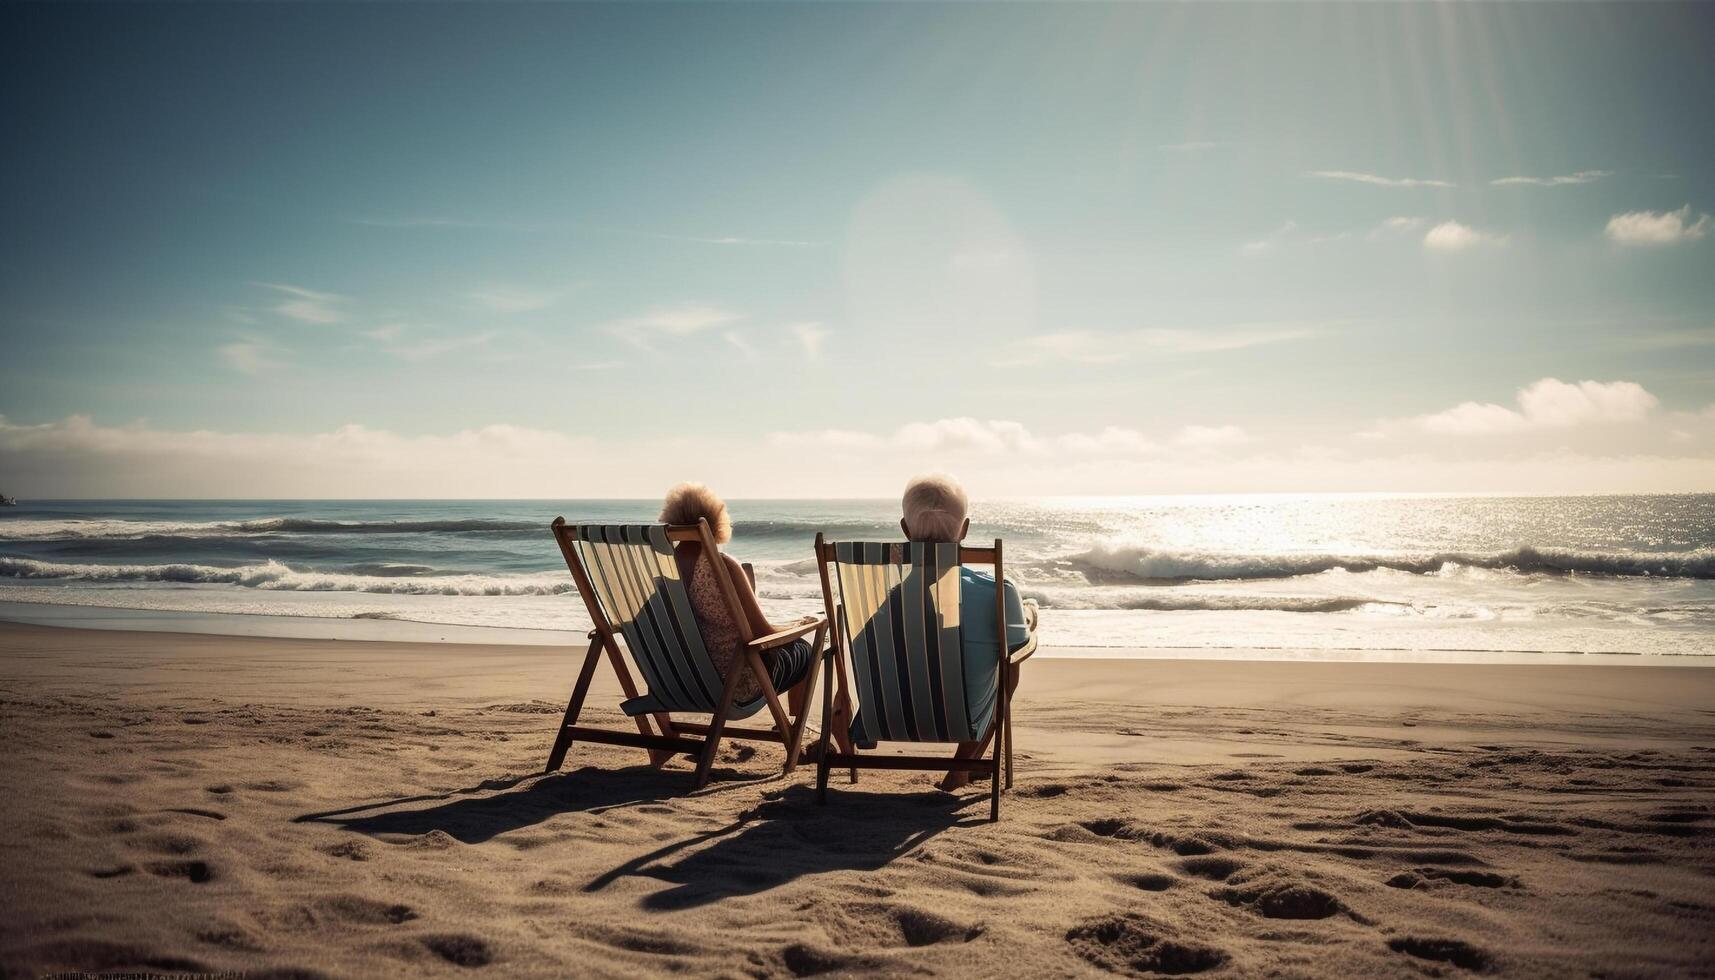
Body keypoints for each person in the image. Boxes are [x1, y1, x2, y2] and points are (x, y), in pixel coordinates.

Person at [898, 474, 1038, 790]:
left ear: (905, 530)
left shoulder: (878, 598)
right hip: (967, 716)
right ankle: (961, 767)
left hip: (891, 716)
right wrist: (1028, 620)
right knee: (1010, 661)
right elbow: (1018, 646)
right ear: (965, 529)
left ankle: (844, 755)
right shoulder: (997, 593)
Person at [659, 483, 820, 709]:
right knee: (805, 649)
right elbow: (763, 633)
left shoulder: (662, 570)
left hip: (677, 683)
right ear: (717, 522)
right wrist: (799, 626)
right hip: (733, 686)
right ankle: (792, 729)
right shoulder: (721, 567)